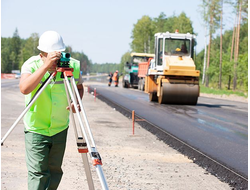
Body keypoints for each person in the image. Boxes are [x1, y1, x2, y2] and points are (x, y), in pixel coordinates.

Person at [19, 31, 84, 190]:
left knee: (55, 171)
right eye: (51, 56)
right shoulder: (31, 65)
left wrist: (76, 101)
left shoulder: (72, 65)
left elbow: (80, 87)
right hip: (36, 128)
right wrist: (46, 66)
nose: (57, 60)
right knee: (38, 173)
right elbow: (24, 88)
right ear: (42, 54)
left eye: (59, 55)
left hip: (60, 127)